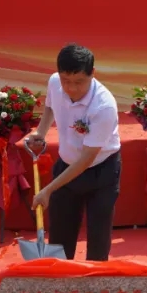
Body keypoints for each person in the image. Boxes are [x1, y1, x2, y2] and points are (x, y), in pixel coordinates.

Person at [25, 44, 122, 261]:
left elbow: (87, 158)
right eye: (66, 81)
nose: (71, 88)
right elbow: (50, 106)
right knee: (59, 236)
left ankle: (96, 279)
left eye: (79, 82)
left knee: (98, 239)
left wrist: (48, 189)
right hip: (66, 163)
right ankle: (59, 277)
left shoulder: (104, 106)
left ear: (92, 73)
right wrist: (40, 132)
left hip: (101, 170)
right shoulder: (54, 82)